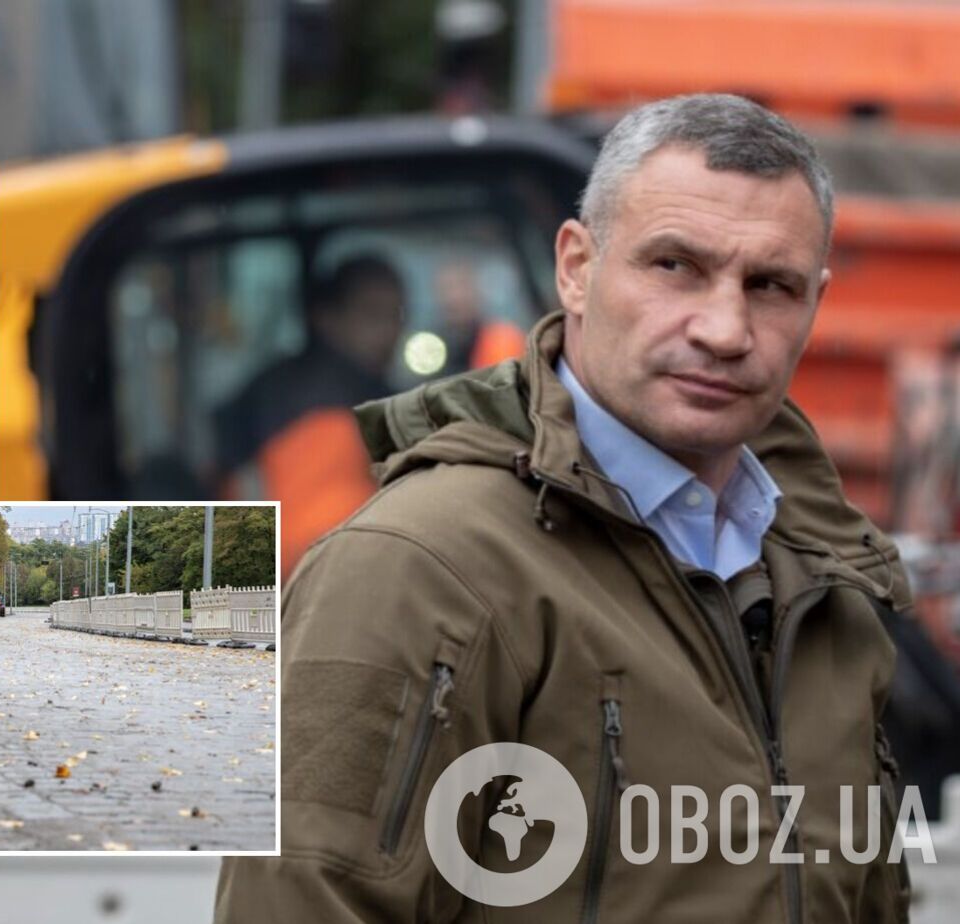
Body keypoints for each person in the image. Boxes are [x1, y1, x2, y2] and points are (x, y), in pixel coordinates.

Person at [216, 94, 914, 922]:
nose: (726, 329)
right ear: (577, 268)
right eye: (675, 266)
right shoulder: (417, 569)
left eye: (771, 285)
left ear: (815, 304)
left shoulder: (831, 587)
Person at [218, 254, 404, 564]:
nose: (388, 331)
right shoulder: (339, 405)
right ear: (326, 319)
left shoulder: (267, 385)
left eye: (396, 314)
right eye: (371, 314)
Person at [434, 257, 527, 373]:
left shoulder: (500, 339)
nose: (453, 298)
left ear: (476, 290)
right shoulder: (434, 344)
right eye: (446, 289)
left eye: (461, 286)